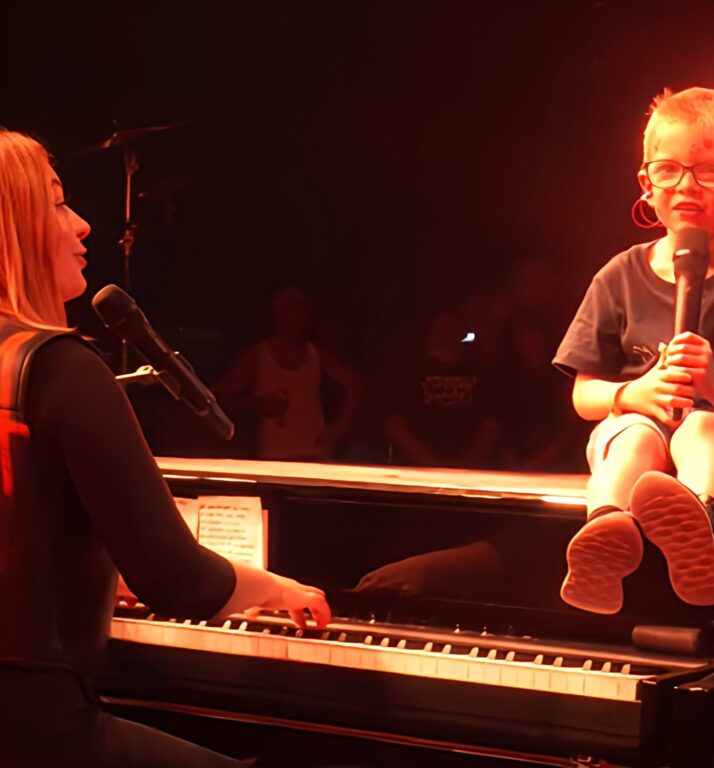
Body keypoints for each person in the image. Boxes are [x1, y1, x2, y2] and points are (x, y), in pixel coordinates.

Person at [0, 129, 330, 767]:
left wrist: (89, 569)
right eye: (58, 203)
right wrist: (277, 589)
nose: (83, 225)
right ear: (12, 226)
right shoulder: (58, 369)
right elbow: (177, 582)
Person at [552, 87, 714, 615]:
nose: (687, 186)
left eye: (712, 169)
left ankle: (700, 522)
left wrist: (713, 386)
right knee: (629, 436)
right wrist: (632, 392)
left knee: (701, 427)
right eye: (668, 170)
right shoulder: (619, 276)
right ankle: (606, 532)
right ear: (647, 185)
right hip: (641, 426)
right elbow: (585, 396)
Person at [217, 286, 362, 461]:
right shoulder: (259, 355)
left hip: (315, 454)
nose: (301, 317)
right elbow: (221, 396)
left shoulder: (315, 354)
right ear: (279, 315)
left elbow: (356, 385)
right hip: (276, 459)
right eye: (293, 310)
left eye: (303, 310)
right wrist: (255, 404)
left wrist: (339, 428)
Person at [386, 310, 501, 468]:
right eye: (442, 326)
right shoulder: (411, 372)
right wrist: (425, 460)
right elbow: (395, 422)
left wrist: (470, 462)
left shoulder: (477, 374)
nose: (447, 331)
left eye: (452, 326)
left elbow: (489, 426)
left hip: (467, 472)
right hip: (417, 472)